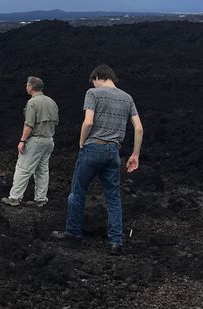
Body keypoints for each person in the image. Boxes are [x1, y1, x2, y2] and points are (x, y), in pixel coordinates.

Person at [52, 65, 143, 252]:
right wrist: (135, 154)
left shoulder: (93, 93)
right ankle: (116, 242)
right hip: (113, 152)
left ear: (97, 77)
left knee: (77, 192)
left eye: (93, 80)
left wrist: (81, 142)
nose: (93, 84)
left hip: (93, 148)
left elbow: (89, 121)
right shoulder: (127, 98)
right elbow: (139, 128)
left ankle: (73, 234)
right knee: (113, 198)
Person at [1, 76, 60, 208]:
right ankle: (41, 199)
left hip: (36, 140)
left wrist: (22, 140)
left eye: (27, 85)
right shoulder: (51, 101)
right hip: (49, 140)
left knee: (23, 168)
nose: (26, 87)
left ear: (31, 87)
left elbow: (29, 125)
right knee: (42, 170)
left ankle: (15, 197)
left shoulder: (33, 103)